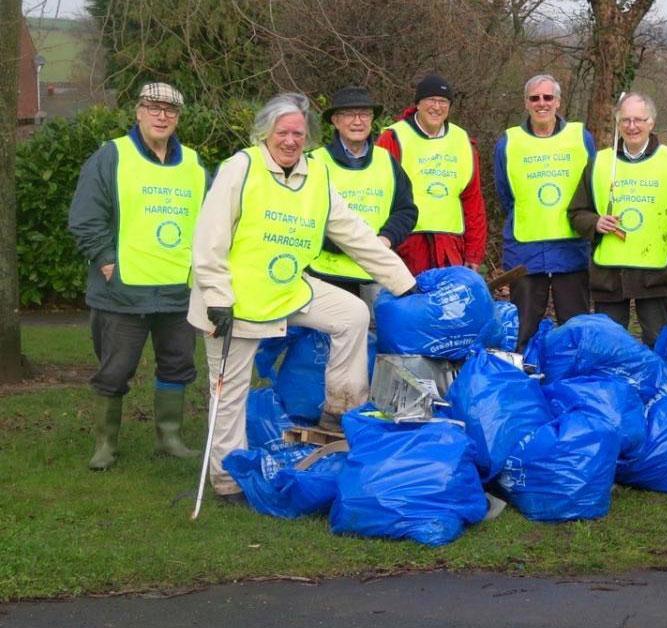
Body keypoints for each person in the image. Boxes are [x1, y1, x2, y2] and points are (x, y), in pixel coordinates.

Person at [189, 93, 416, 504]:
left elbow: (356, 235)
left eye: (297, 133)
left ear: (307, 136)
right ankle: (227, 479)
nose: (290, 140)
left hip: (289, 288)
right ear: (265, 133)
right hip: (233, 303)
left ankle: (340, 408)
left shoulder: (316, 176)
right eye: (282, 132)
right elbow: (209, 240)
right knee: (229, 392)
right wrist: (218, 297)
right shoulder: (240, 168)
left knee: (351, 312)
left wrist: (404, 283)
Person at [68, 82, 207, 470]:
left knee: (178, 364)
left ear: (178, 118)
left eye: (171, 110)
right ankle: (106, 445)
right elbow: (85, 217)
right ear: (138, 112)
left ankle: (170, 438)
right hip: (121, 292)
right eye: (154, 107)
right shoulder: (111, 156)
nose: (162, 116)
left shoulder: (194, 165)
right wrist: (105, 260)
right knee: (114, 371)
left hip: (178, 290)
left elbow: (213, 222)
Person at [569, 92, 667, 347]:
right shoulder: (599, 162)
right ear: (618, 123)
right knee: (608, 348)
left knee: (659, 347)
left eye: (639, 120)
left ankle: (658, 388)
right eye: (626, 120)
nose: (632, 127)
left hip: (656, 276)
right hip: (609, 276)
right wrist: (594, 222)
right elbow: (576, 213)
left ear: (651, 122)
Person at [494, 74, 596, 349]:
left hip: (570, 250)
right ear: (525, 103)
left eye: (548, 97)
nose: (542, 103)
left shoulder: (581, 137)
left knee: (575, 330)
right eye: (535, 98)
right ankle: (521, 381)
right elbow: (505, 193)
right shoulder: (508, 142)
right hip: (525, 250)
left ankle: (573, 384)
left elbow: (593, 187)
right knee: (521, 330)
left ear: (558, 101)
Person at [306, 86, 418, 297]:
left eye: (364, 114)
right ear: (335, 121)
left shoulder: (387, 161)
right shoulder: (314, 163)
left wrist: (386, 238)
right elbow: (303, 218)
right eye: (349, 114)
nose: (358, 121)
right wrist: (349, 244)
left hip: (377, 275)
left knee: (378, 330)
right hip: (326, 275)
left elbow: (406, 211)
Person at [377, 74, 487, 275]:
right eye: (431, 100)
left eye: (443, 101)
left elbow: (473, 201)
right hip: (405, 245)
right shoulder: (393, 137)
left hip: (450, 247)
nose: (437, 107)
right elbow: (377, 193)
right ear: (418, 103)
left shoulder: (462, 140)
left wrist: (474, 252)